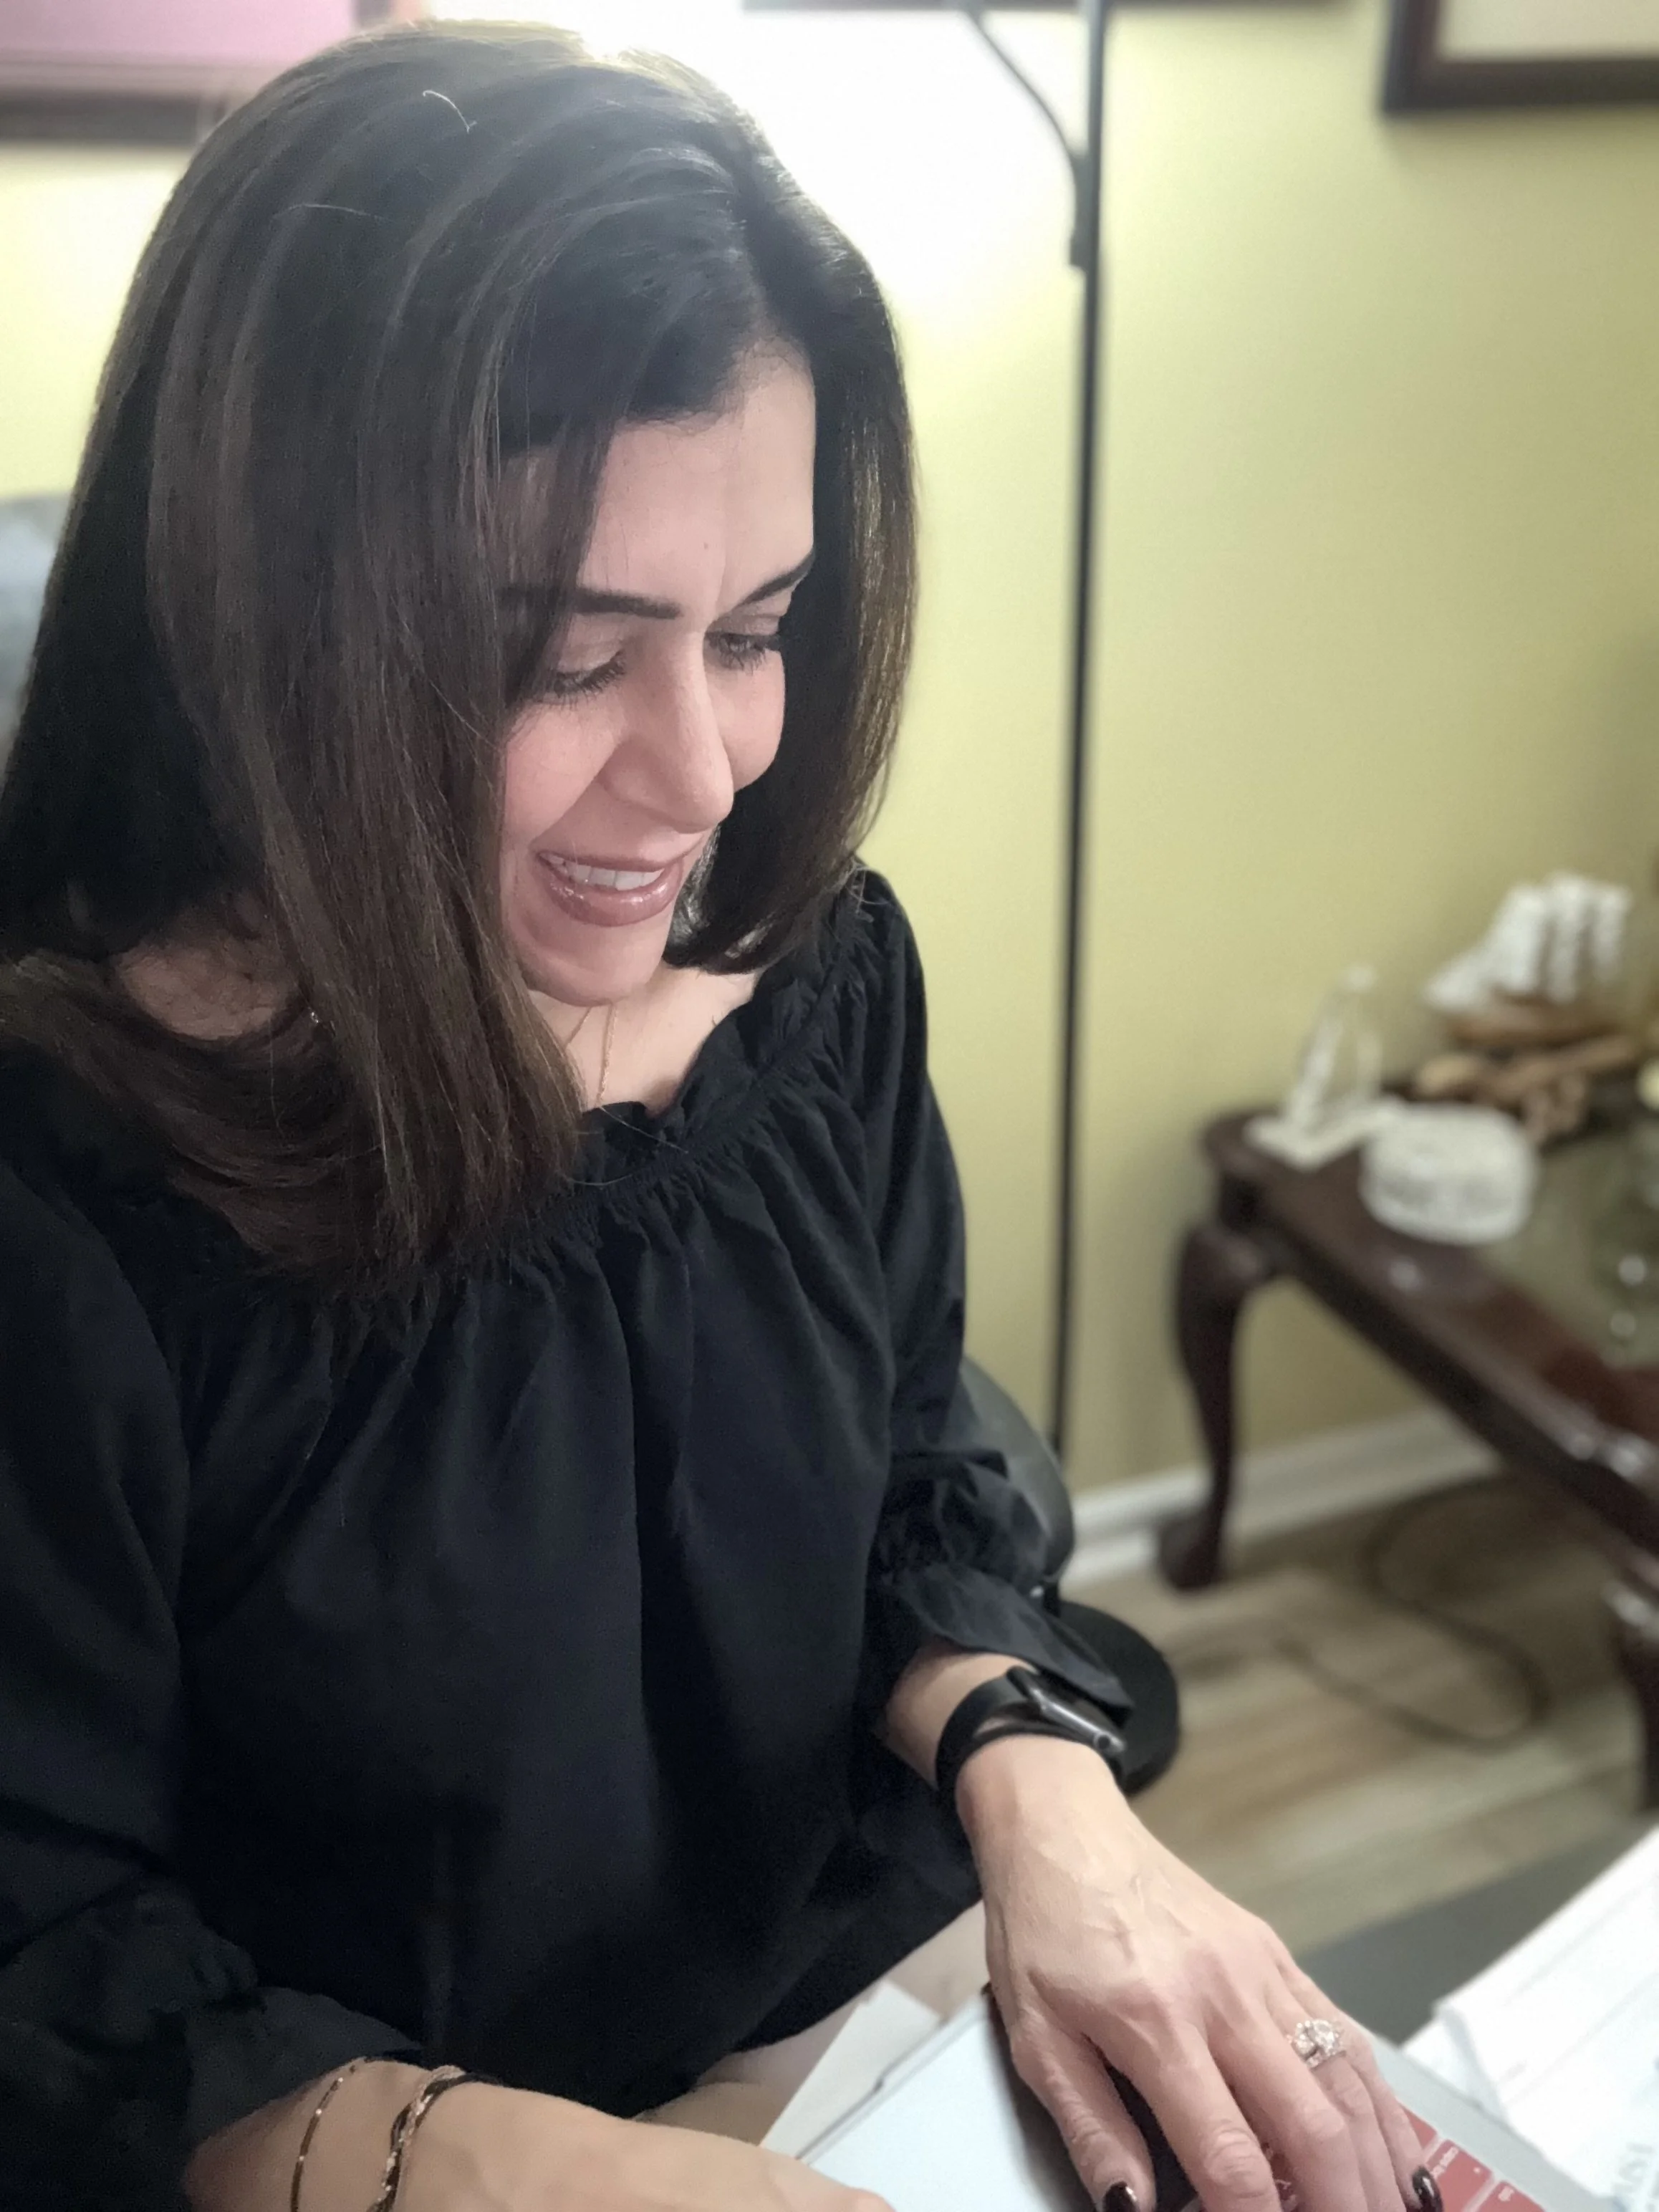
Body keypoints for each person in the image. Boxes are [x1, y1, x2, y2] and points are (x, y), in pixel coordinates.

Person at [0, 24, 1433, 2212]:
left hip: (854, 2016)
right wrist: (551, 2176)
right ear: (263, 630)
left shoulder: (813, 980)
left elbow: (918, 1452)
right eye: (563, 658)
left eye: (753, 630)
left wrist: (1044, 1793)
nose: (701, 778)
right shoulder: (74, 1200)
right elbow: (53, 1957)